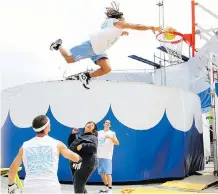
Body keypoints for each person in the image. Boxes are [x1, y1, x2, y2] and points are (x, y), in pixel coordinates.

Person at [50, 1, 161, 89]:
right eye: (123, 19)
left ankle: (86, 76)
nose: (124, 21)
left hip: (99, 50)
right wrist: (151, 27)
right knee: (69, 60)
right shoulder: (118, 23)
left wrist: (121, 33)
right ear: (119, 18)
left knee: (106, 69)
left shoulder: (110, 23)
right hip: (91, 46)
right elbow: (136, 26)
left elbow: (108, 32)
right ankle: (58, 45)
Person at [7, 115, 82, 194]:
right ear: (46, 127)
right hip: (52, 189)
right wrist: (79, 160)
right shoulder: (57, 144)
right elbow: (74, 157)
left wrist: (11, 185)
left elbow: (13, 168)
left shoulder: (25, 146)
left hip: (30, 190)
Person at [68, 121, 98, 193]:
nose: (90, 125)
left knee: (78, 185)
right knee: (78, 183)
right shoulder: (80, 136)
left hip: (87, 162)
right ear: (85, 125)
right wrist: (73, 134)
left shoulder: (93, 137)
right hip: (76, 162)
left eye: (92, 125)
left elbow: (94, 148)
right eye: (89, 123)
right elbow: (71, 145)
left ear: (93, 130)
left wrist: (83, 146)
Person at [97, 120, 119, 193]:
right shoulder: (99, 132)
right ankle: (106, 186)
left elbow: (117, 143)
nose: (107, 124)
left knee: (108, 173)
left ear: (110, 125)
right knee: (101, 173)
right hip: (99, 155)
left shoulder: (112, 133)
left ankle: (110, 188)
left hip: (107, 156)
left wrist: (110, 138)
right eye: (106, 122)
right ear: (104, 124)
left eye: (109, 123)